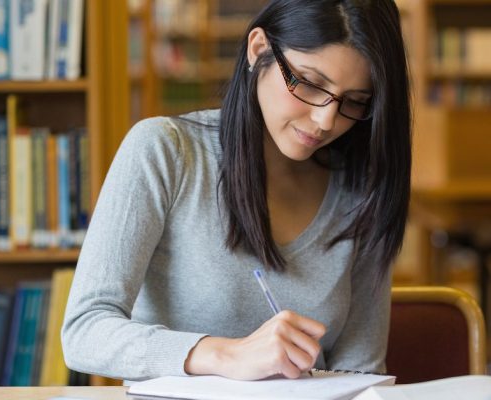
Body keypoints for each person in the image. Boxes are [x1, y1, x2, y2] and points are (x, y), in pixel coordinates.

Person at [61, 0, 411, 382]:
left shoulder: (360, 190)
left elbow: (360, 372)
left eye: (356, 101)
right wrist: (225, 355)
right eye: (310, 84)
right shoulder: (165, 152)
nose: (325, 119)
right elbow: (84, 332)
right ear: (258, 48)